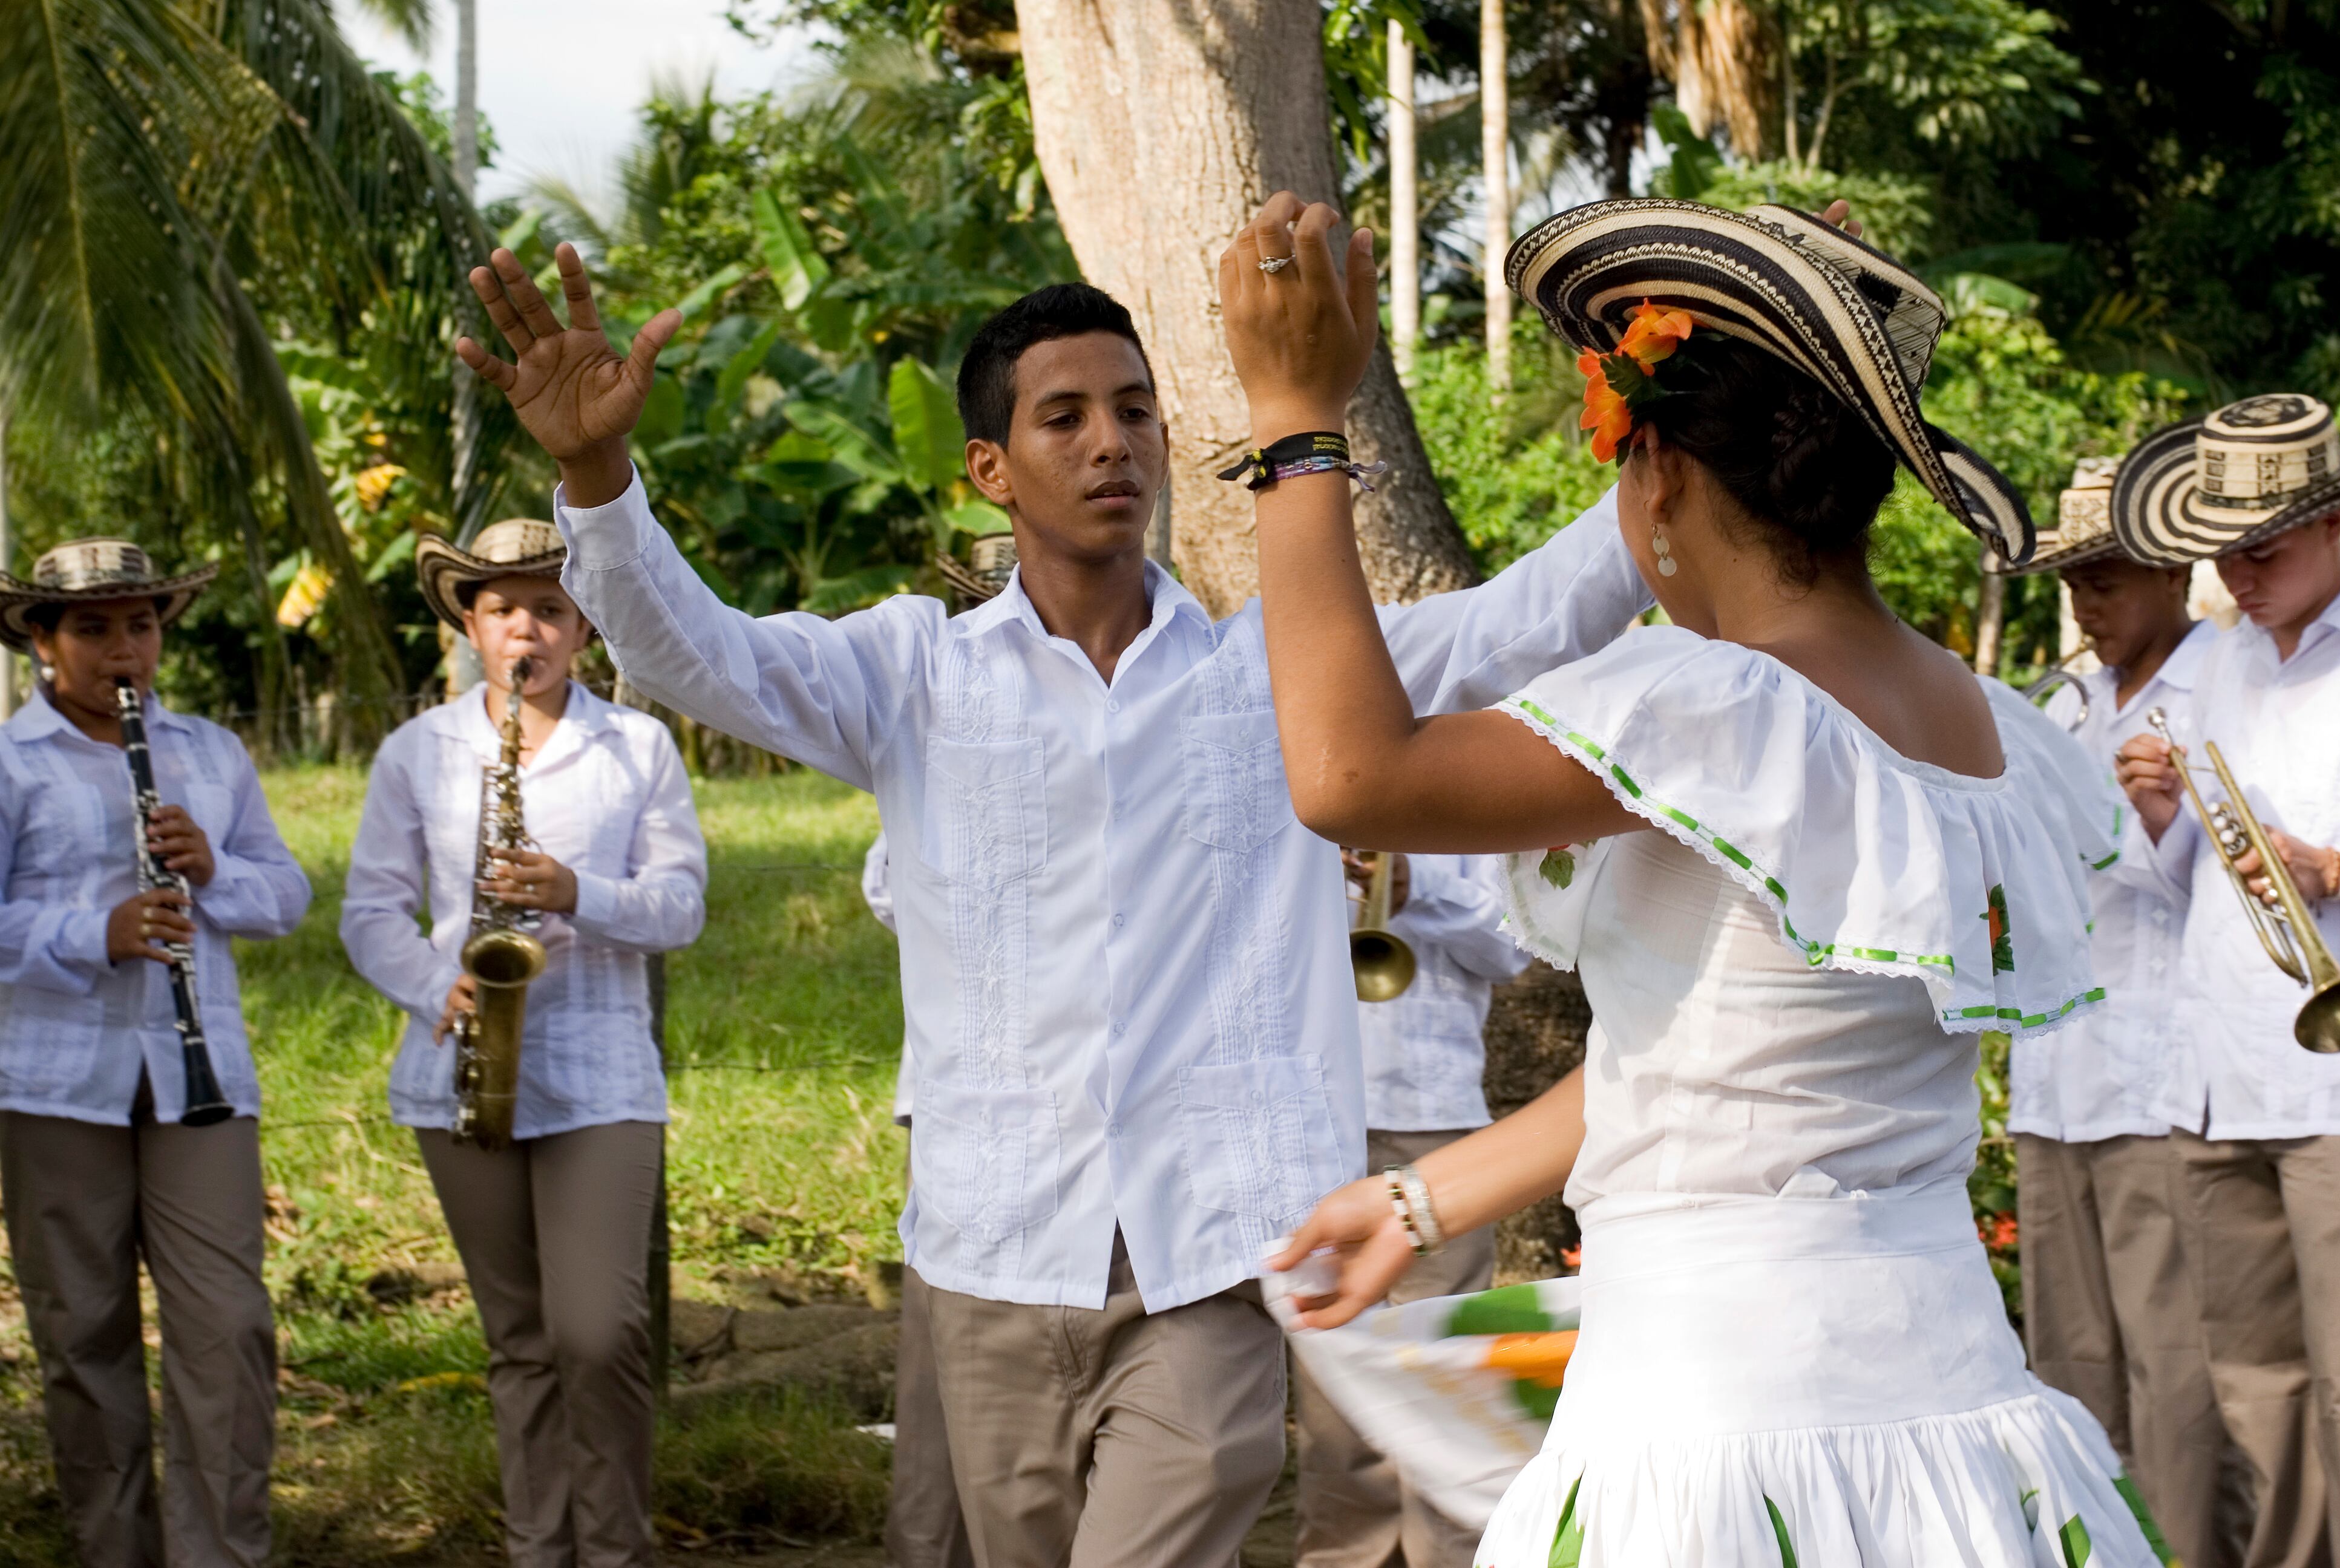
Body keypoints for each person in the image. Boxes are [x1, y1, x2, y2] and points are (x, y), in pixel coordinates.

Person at [453, 245, 1653, 1568]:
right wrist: (595, 482)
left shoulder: (1281, 671)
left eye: (1133, 410)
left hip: (1212, 1258)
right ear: (990, 468)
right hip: (995, 1258)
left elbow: (1540, 615)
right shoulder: (910, 670)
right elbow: (700, 652)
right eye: (1064, 416)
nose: (1110, 443)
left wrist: (1686, 406)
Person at [1234, 192, 2168, 1564]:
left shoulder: (1715, 700)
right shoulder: (1982, 725)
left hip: (1717, 1444)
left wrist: (1295, 421)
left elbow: (1347, 777)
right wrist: (1424, 1196)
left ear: (1656, 476)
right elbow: (1721, 1056)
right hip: (1951, 1426)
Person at [341, 520, 707, 1568]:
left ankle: (616, 1549)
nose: (525, 630)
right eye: (503, 609)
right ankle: (537, 1549)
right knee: (519, 1341)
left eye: (549, 608)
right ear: (470, 623)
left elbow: (679, 906)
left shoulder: (637, 747)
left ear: (584, 625)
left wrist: (574, 892)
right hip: (459, 1069)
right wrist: (435, 982)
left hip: (600, 1073)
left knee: (598, 1333)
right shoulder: (418, 752)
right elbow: (370, 912)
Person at [0, 540, 310, 1568]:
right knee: (83, 1339)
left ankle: (219, 1554)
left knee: (227, 1327)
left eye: (140, 624)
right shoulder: (11, 762)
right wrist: (98, 931)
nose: (123, 647)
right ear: (41, 640)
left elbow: (287, 895)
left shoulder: (211, 752)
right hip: (54, 1082)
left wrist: (213, 871)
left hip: (198, 1076)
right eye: (92, 627)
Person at [2109, 395, 2340, 1568]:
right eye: (2223, 549)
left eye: (2267, 546)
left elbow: (2301, 874)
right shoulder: (2216, 675)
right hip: (2210, 1076)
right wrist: (2159, 813)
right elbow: (2176, 893)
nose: (2239, 574)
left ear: (2337, 527)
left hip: (2330, 1092)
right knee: (2255, 1388)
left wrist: (2329, 866)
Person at [2003, 460, 2233, 1567]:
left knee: (2173, 1372)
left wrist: (2149, 818)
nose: (2088, 602)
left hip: (2155, 1079)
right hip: (2053, 1076)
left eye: (2107, 576)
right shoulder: (2060, 702)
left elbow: (2221, 897)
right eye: (2074, 580)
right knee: (2068, 1364)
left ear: (2173, 567)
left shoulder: (2225, 687)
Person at [1297, 851, 1526, 1568]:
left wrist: (1415, 886)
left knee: (1444, 1366)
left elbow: (1513, 946)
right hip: (1311, 1107)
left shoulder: (1475, 749)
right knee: (1332, 1387)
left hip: (1433, 1111)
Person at [860, 831, 976, 1568]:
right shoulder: (958, 716)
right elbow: (886, 881)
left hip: (1156, 1102)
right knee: (948, 1362)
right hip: (973, 1096)